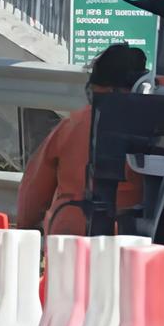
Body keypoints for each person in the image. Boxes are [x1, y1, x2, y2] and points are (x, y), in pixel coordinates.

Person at [16, 43, 148, 236]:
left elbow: (32, 193)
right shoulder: (153, 127)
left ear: (94, 85)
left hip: (69, 234)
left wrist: (26, 229)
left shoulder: (71, 126)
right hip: (128, 238)